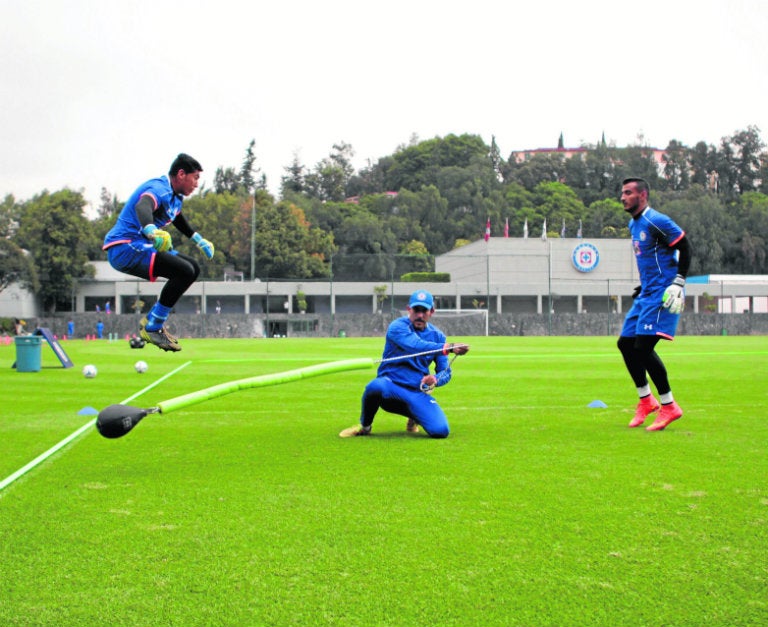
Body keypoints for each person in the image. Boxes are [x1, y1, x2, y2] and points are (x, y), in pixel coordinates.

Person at [102, 153, 215, 352]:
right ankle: (153, 326)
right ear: (181, 174)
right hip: (124, 247)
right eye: (195, 177)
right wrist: (151, 229)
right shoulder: (159, 189)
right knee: (183, 271)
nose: (197, 184)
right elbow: (143, 205)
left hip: (139, 246)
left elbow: (178, 218)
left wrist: (198, 239)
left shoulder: (175, 197)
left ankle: (153, 321)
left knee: (193, 269)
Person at [340, 290, 470, 439]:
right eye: (416, 310)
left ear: (431, 312)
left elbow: (446, 372)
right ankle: (365, 426)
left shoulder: (438, 336)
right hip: (391, 387)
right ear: (409, 309)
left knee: (441, 431)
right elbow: (415, 345)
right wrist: (448, 348)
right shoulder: (397, 327)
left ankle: (414, 418)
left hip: (416, 392)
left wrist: (435, 379)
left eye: (424, 310)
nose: (420, 315)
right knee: (374, 387)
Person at [618, 177, 693, 431]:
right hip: (647, 293)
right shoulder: (633, 224)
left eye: (628, 193)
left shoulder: (657, 221)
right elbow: (652, 259)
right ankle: (645, 400)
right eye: (622, 193)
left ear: (643, 195)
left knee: (642, 348)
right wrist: (643, 285)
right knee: (626, 344)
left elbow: (684, 246)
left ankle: (669, 405)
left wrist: (678, 282)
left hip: (663, 292)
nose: (623, 197)